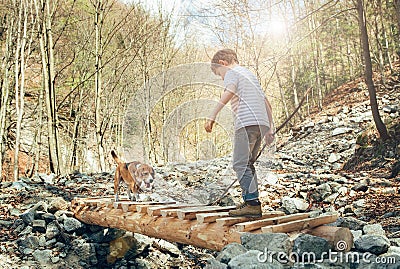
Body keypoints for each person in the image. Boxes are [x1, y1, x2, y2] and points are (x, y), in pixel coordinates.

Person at [204, 49, 274, 217]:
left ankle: (252, 204)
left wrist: (212, 115)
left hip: (246, 123)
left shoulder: (231, 73)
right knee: (248, 163)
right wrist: (270, 129)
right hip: (260, 124)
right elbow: (266, 102)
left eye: (219, 74)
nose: (222, 78)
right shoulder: (250, 75)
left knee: (240, 163)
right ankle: (252, 201)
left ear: (222, 63)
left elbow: (230, 91)